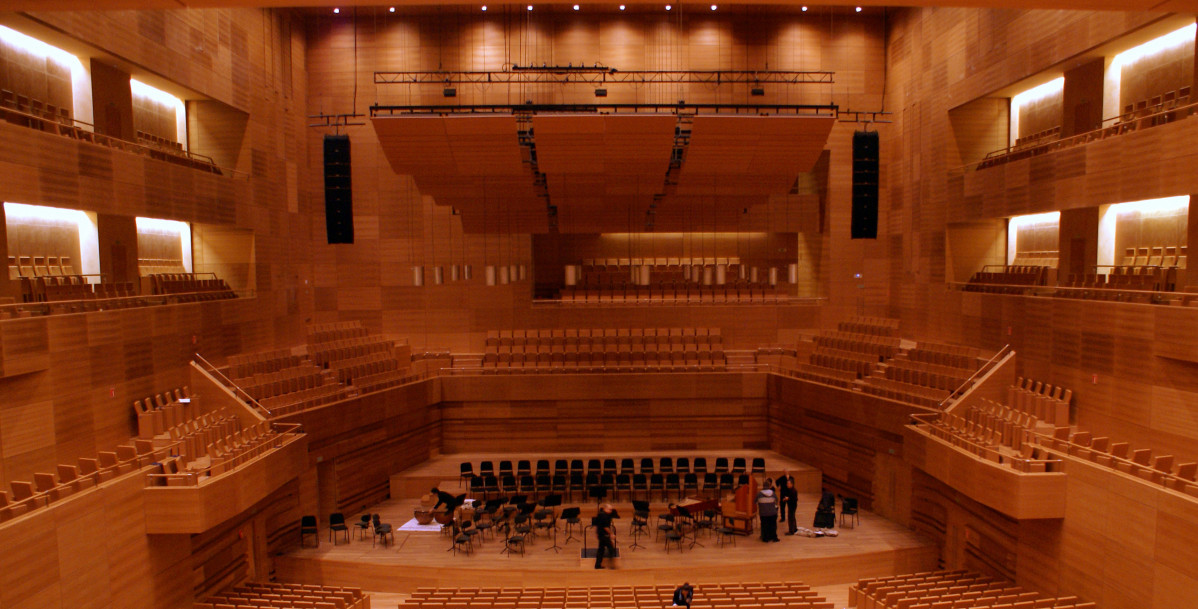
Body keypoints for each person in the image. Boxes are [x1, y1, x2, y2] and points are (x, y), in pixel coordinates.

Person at [594, 503, 617, 569]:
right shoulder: (605, 516)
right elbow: (606, 527)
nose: (611, 511)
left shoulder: (599, 514)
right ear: (605, 509)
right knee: (611, 549)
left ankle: (597, 565)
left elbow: (597, 525)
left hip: (600, 535)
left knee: (601, 550)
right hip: (604, 535)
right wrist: (611, 534)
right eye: (609, 509)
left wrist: (596, 533)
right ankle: (611, 565)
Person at [757, 478, 780, 542]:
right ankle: (774, 537)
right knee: (773, 525)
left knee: (765, 526)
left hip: (763, 513)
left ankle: (765, 538)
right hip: (772, 512)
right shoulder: (772, 493)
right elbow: (776, 500)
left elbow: (755, 501)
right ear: (769, 486)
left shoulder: (759, 494)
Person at [776, 470, 798, 535]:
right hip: (792, 505)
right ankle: (794, 528)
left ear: (791, 484)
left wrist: (787, 498)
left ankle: (791, 531)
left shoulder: (793, 491)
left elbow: (793, 498)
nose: (787, 485)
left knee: (790, 517)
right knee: (792, 517)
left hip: (792, 505)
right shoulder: (791, 490)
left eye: (788, 484)